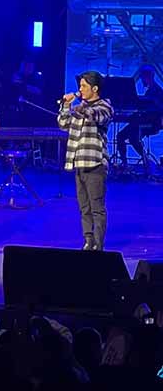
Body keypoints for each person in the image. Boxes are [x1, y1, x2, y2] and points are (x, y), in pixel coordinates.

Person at [57, 71, 113, 251]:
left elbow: (95, 115)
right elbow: (63, 123)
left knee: (97, 207)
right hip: (79, 164)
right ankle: (88, 241)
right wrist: (66, 105)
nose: (80, 89)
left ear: (94, 89)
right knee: (84, 207)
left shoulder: (105, 106)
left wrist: (79, 107)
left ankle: (98, 244)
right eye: (79, 86)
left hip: (95, 165)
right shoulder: (79, 107)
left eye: (83, 86)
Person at [117, 64, 163, 168]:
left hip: (151, 124)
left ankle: (145, 160)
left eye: (143, 77)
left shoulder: (157, 91)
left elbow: (155, 111)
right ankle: (125, 163)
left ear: (149, 77)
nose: (142, 80)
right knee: (121, 136)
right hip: (142, 122)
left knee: (132, 137)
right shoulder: (151, 90)